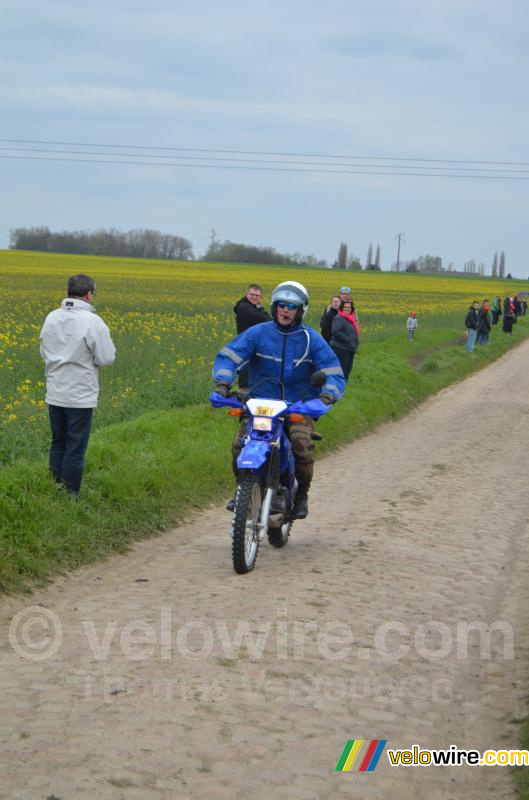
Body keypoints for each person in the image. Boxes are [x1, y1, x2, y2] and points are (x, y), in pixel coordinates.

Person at [213, 280, 345, 519]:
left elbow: (333, 370)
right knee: (239, 446)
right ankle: (244, 490)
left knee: (301, 445)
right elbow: (230, 356)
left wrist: (327, 396)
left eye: (292, 306)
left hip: (298, 405)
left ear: (300, 310)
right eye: (281, 305)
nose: (286, 310)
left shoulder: (311, 339)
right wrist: (223, 384)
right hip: (261, 404)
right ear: (274, 307)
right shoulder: (258, 333)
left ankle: (302, 494)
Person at [40, 274, 116, 496]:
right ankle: (70, 496)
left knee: (58, 443)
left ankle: (54, 490)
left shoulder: (51, 317)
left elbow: (43, 351)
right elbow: (106, 358)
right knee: (74, 448)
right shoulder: (93, 321)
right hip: (80, 396)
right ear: (88, 294)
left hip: (54, 392)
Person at [233, 284, 272, 390]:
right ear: (247, 294)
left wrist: (260, 308)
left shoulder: (255, 307)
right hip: (246, 342)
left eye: (257, 295)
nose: (254, 297)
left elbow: (267, 318)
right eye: (252, 294)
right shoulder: (244, 307)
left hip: (256, 343)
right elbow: (266, 319)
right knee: (246, 368)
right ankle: (244, 391)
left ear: (261, 298)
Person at [330, 300, 359, 381]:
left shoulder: (350, 319)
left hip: (349, 349)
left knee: (346, 371)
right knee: (341, 371)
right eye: (345, 307)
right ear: (342, 308)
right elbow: (335, 331)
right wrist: (348, 340)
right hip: (341, 349)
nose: (347, 309)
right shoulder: (339, 318)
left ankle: (342, 388)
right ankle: (337, 388)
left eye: (349, 307)